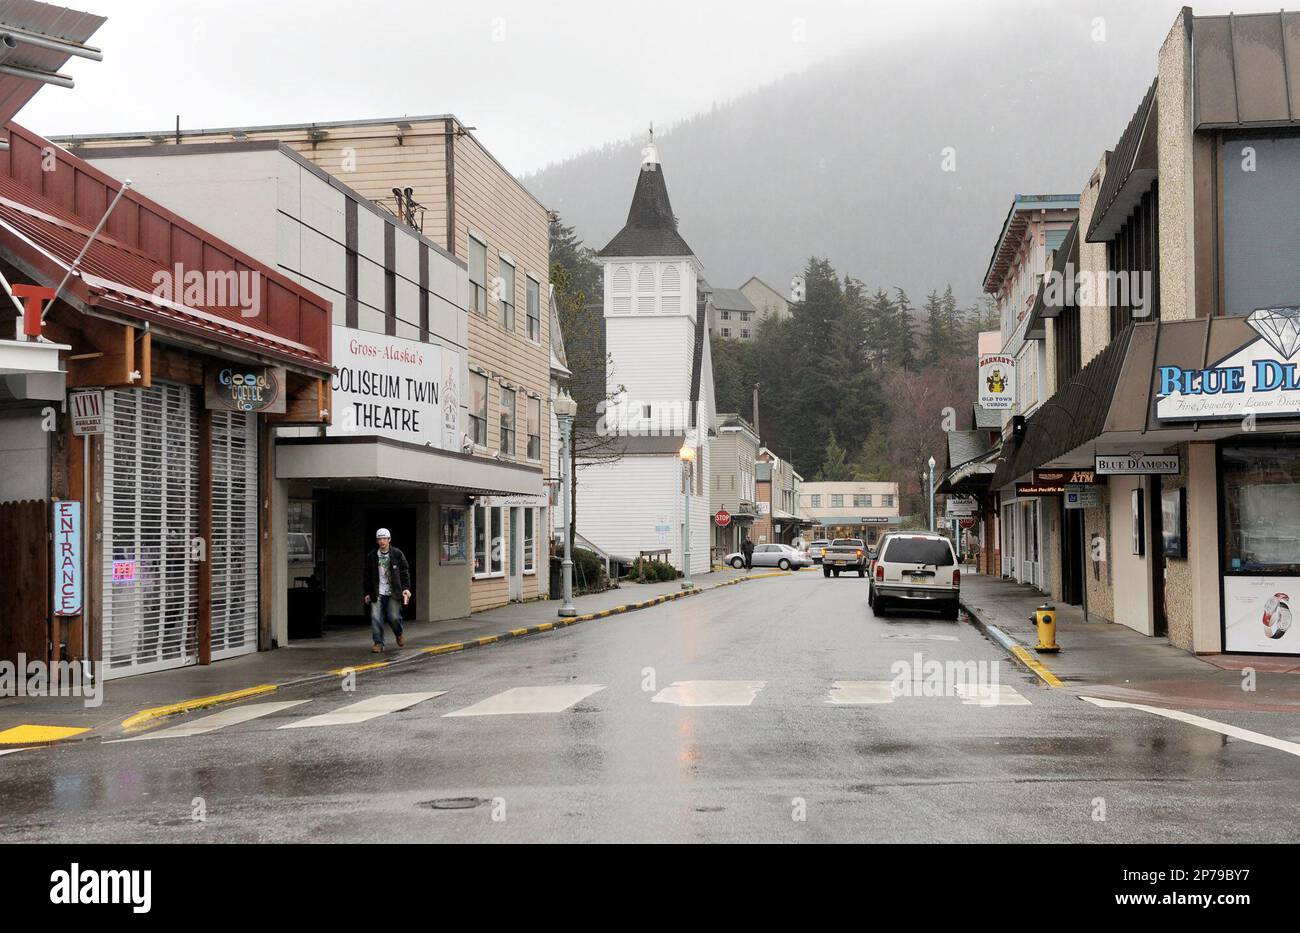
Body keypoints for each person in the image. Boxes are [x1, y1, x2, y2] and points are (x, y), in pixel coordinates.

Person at [363, 528, 412, 653]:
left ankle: (399, 633)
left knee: (394, 617)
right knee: (375, 617)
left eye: (384, 538)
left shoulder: (397, 554)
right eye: (379, 539)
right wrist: (367, 592)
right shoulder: (372, 556)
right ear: (377, 541)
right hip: (377, 591)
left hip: (393, 592)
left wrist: (406, 588)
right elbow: (367, 575)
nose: (382, 541)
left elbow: (404, 572)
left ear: (389, 540)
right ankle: (378, 643)